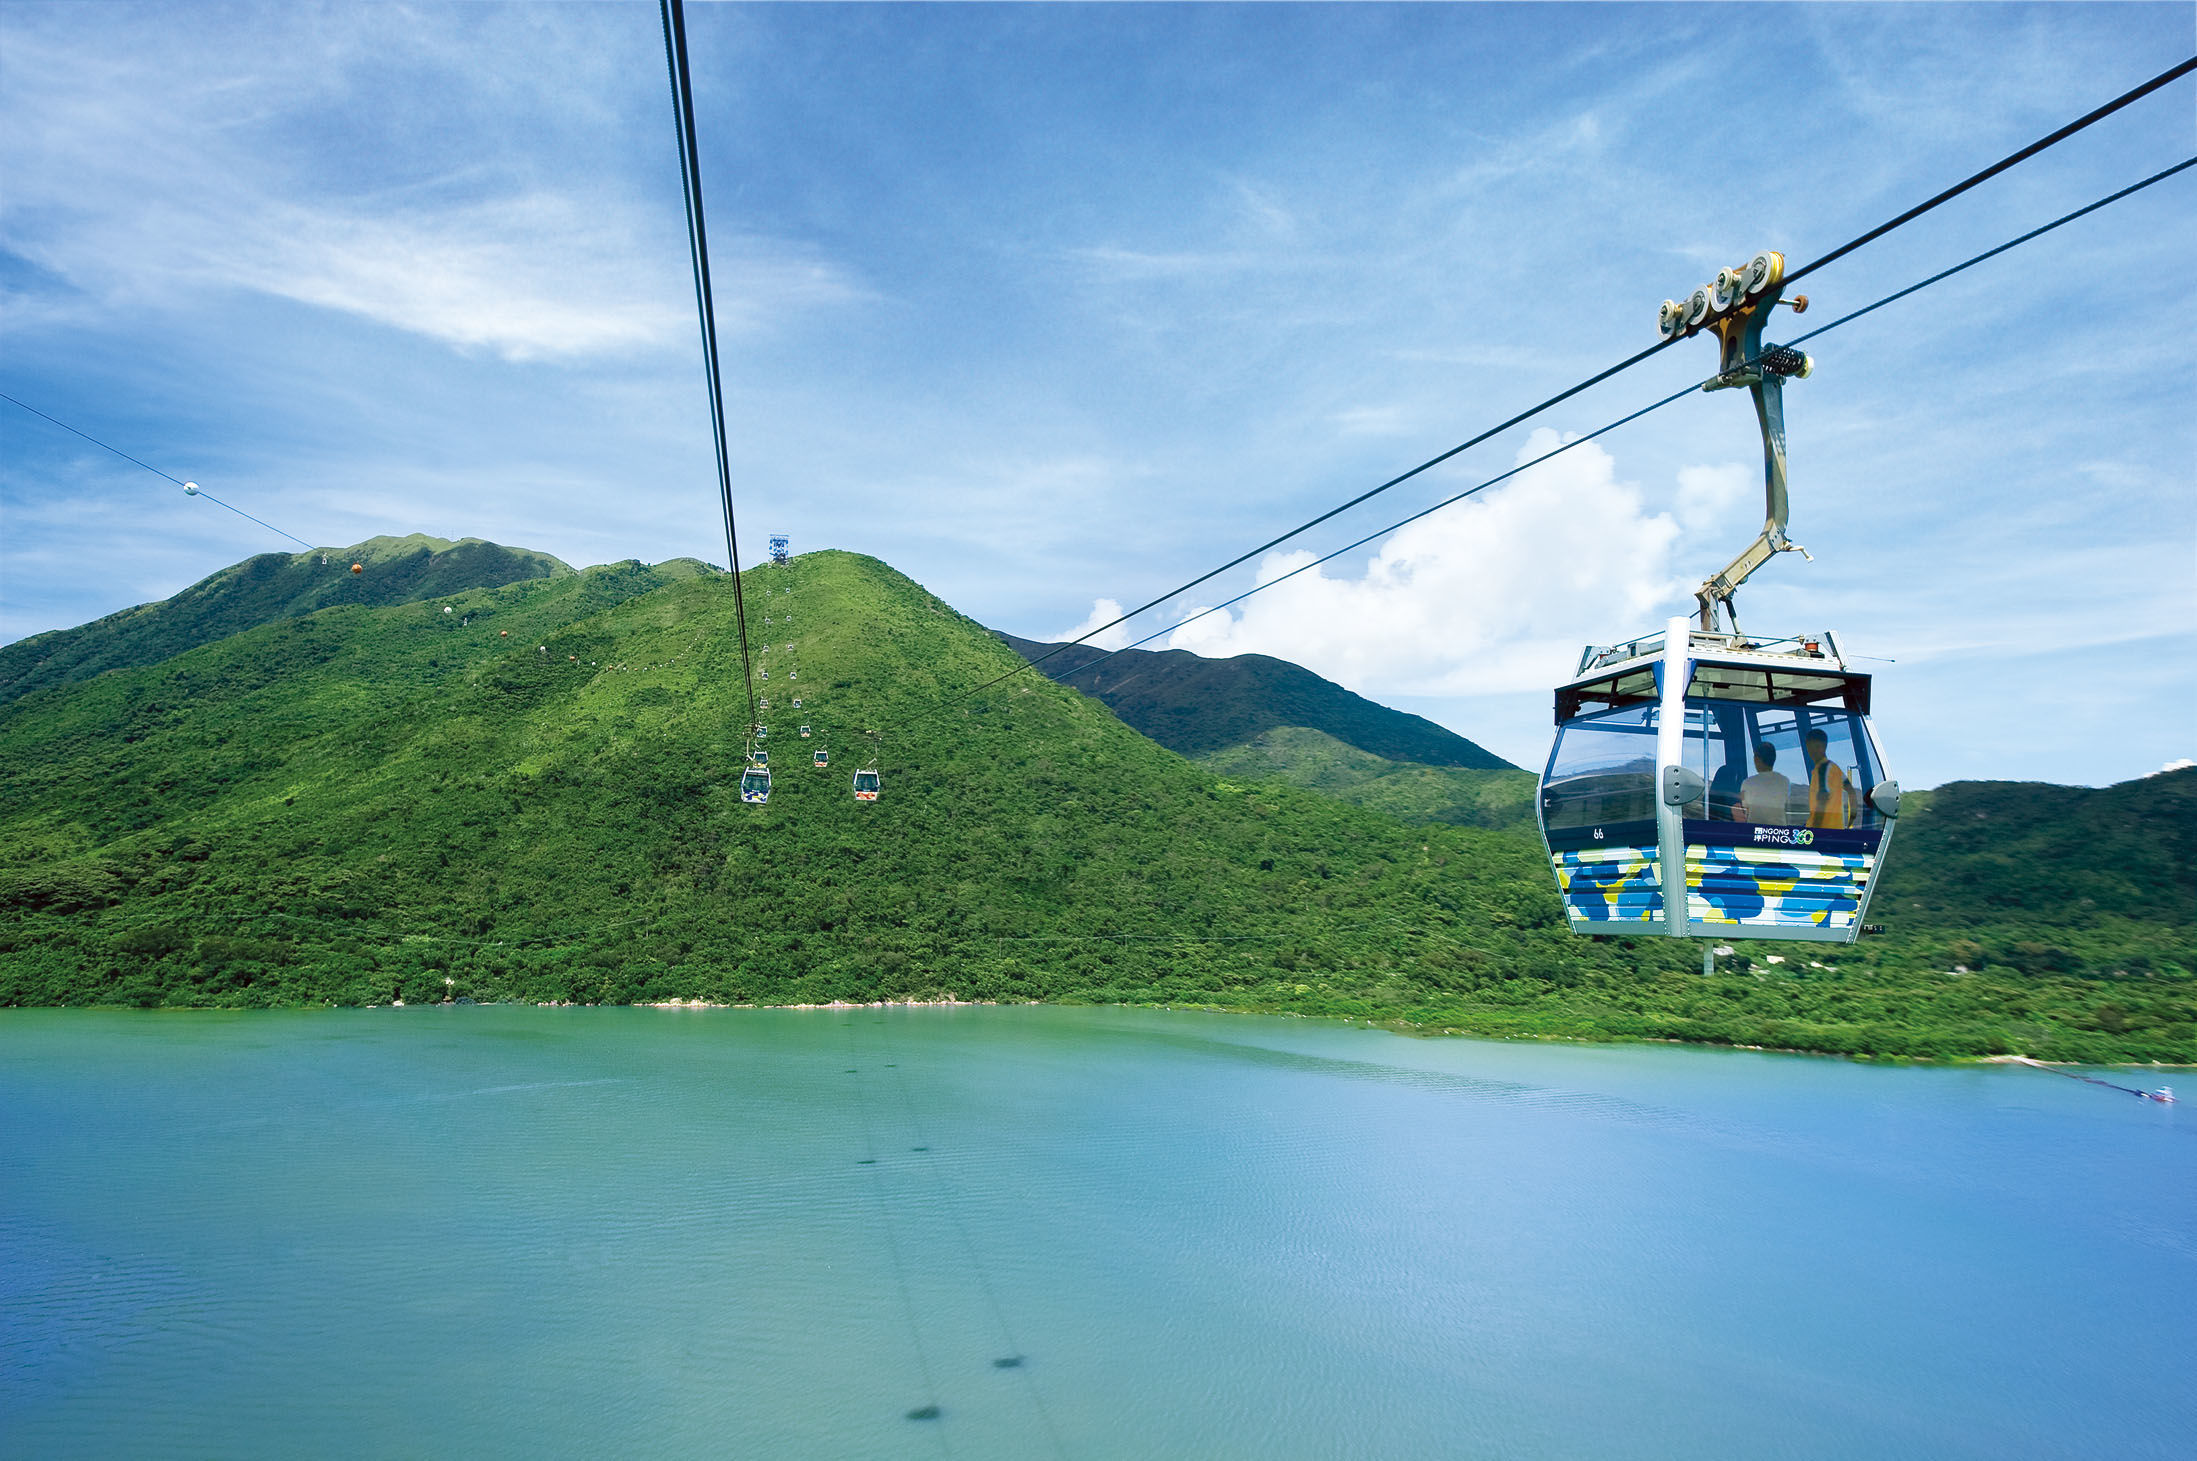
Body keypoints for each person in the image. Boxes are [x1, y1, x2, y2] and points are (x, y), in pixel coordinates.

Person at [1803, 728, 1851, 828]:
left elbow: (1822, 798)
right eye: (1809, 747)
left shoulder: (1823, 768)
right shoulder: (1834, 768)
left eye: (1816, 747)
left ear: (1824, 746)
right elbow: (1850, 790)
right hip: (1835, 829)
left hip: (1823, 831)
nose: (1812, 751)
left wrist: (1815, 831)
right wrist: (1851, 820)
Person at [1739, 743, 1791, 825]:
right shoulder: (1785, 781)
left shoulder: (1747, 783)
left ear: (1756, 759)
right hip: (1778, 832)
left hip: (1754, 831)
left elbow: (1745, 806)